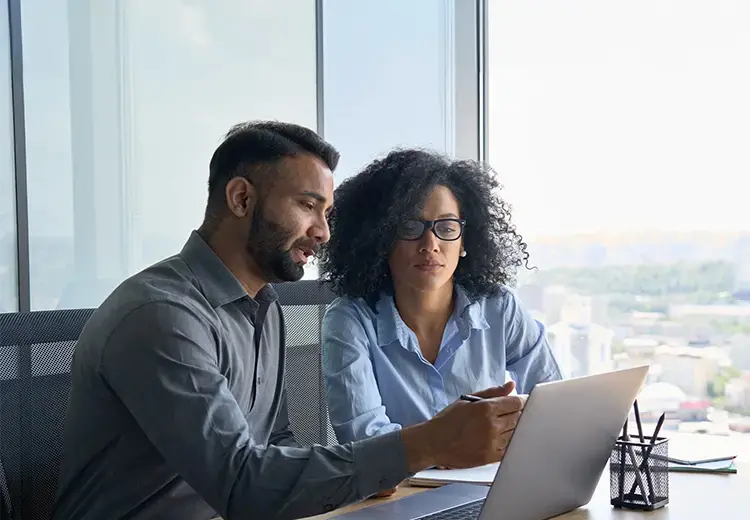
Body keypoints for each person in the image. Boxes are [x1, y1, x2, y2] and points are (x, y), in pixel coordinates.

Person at [51, 122, 526, 520]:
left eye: (327, 213)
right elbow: (242, 484)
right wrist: (426, 443)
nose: (322, 232)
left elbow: (275, 445)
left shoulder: (265, 306)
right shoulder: (162, 316)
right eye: (307, 206)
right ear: (240, 199)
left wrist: (365, 474)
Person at [319, 149, 563, 448]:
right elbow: (364, 441)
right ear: (381, 239)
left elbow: (554, 403)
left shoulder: (499, 307)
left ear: (464, 241)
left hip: (490, 483)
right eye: (410, 227)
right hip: (398, 491)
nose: (430, 244)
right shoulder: (349, 320)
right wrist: (456, 445)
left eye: (447, 228)